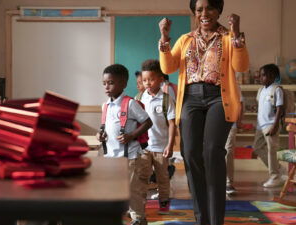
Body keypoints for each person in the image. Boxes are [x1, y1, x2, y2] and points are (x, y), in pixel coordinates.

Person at [158, 0, 249, 224]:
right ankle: (202, 219)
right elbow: (168, 68)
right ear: (195, 13)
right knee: (189, 154)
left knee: (212, 153)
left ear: (218, 10)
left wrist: (236, 35)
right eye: (199, 9)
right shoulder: (185, 39)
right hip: (190, 98)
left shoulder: (228, 37)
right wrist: (164, 39)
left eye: (210, 8)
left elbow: (241, 67)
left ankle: (216, 220)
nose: (204, 13)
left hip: (219, 97)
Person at [96, 64, 152, 225]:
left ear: (123, 84)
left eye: (111, 83)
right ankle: (116, 215)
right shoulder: (105, 106)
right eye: (104, 83)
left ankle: (139, 218)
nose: (107, 86)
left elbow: (147, 122)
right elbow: (105, 127)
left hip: (129, 157)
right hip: (110, 157)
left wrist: (132, 135)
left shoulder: (131, 104)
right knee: (112, 189)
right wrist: (100, 134)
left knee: (132, 190)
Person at [137, 59, 176, 214]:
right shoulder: (139, 98)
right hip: (144, 147)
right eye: (145, 80)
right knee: (142, 177)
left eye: (151, 79)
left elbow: (172, 124)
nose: (148, 83)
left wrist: (170, 145)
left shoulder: (166, 99)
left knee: (162, 177)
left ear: (161, 79)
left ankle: (164, 202)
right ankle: (139, 204)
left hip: (161, 147)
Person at [253, 64, 284, 188]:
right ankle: (279, 169)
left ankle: (275, 177)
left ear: (272, 76)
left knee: (272, 151)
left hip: (271, 125)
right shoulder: (261, 90)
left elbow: (279, 109)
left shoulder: (277, 89)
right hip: (261, 126)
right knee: (257, 147)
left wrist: (275, 125)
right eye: (260, 75)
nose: (260, 78)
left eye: (263, 75)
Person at [225, 91, 243, 195]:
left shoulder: (234, 84)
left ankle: (228, 183)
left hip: (231, 124)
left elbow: (240, 104)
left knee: (228, 151)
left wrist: (239, 121)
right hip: (213, 124)